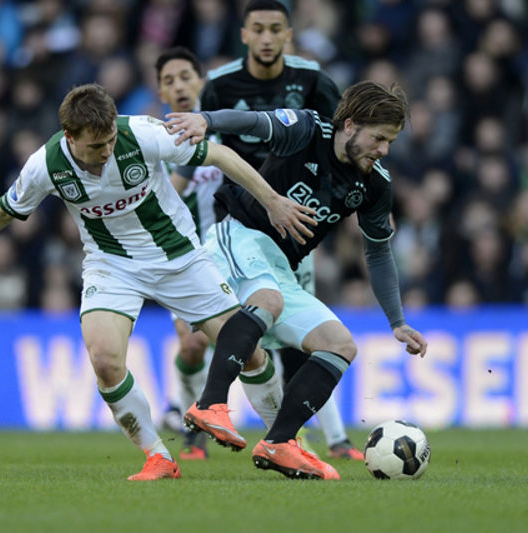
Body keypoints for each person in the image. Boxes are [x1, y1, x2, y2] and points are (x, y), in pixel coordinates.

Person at [0, 83, 316, 481]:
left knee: (249, 353)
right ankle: (158, 456)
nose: (108, 150)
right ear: (70, 137)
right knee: (105, 361)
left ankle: (286, 443)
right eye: (97, 146)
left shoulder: (141, 133)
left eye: (111, 140)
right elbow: (6, 208)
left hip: (179, 257)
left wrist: (271, 200)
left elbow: (219, 154)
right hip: (111, 265)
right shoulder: (46, 164)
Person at [164, 79, 428, 480]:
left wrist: (397, 321)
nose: (384, 150)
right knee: (268, 301)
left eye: (389, 141)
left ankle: (280, 442)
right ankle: (210, 403)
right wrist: (206, 120)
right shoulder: (307, 129)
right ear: (351, 125)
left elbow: (377, 252)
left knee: (339, 344)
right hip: (239, 234)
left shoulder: (375, 185)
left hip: (279, 267)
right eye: (378, 138)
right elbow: (252, 122)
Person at [199, 0, 360, 460]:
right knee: (241, 324)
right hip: (242, 219)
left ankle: (329, 439)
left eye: (276, 29)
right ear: (244, 35)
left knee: (303, 330)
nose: (267, 38)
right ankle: (218, 420)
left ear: (288, 34)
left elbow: (342, 146)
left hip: (296, 224)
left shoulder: (312, 81)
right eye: (259, 29)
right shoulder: (219, 85)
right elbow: (206, 150)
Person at [155, 46, 285, 461]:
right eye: (169, 80)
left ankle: (285, 434)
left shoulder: (227, 133)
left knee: (253, 340)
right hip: (186, 256)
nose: (179, 86)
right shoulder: (155, 145)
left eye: (185, 77)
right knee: (192, 345)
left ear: (201, 81)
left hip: (236, 252)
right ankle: (192, 426)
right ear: (161, 92)